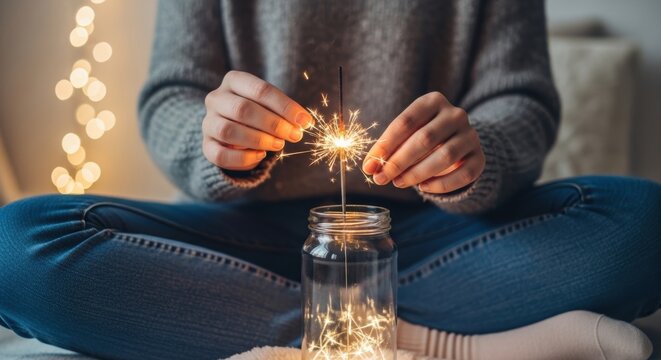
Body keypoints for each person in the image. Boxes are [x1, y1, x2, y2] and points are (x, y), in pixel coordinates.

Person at [0, 0, 659, 359]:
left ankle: (311, 330)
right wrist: (216, 143)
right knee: (18, 246)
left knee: (641, 224)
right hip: (241, 238)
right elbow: (170, 96)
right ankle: (426, 345)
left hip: (441, 240)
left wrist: (474, 150)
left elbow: (523, 101)